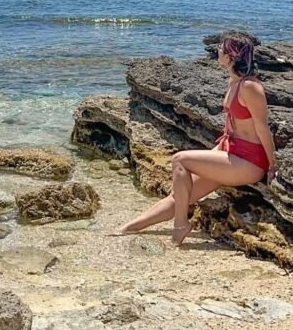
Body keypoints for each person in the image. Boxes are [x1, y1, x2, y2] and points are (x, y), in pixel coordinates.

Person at [110, 31, 277, 247]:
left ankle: (181, 224)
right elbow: (233, 126)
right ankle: (130, 227)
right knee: (180, 196)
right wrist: (218, 149)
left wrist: (272, 165)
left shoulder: (250, 87)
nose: (217, 51)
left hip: (249, 162)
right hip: (231, 153)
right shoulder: (233, 82)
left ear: (230, 56)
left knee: (180, 159)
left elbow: (262, 128)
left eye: (221, 48)